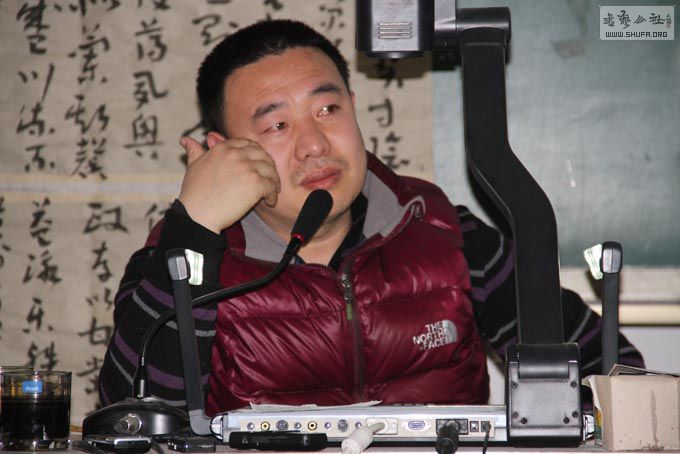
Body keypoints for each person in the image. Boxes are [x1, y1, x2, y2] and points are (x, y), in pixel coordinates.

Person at [99, 19, 643, 414]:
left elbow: (614, 373)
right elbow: (135, 418)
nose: (315, 144)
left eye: (328, 109)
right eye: (277, 125)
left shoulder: (442, 231)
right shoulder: (184, 255)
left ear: (355, 109)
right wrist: (194, 230)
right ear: (224, 151)